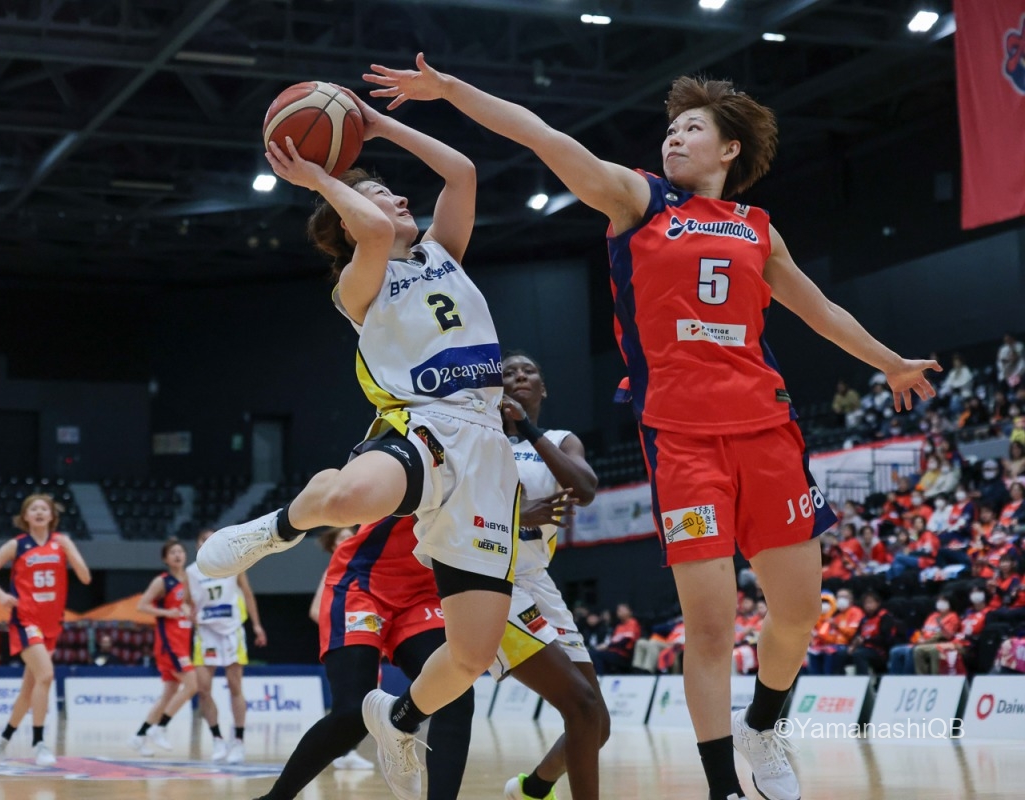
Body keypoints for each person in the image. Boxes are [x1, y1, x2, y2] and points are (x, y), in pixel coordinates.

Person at [362, 55, 939, 800]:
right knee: (711, 626)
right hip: (682, 442)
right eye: (670, 128)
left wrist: (891, 363)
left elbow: (820, 310)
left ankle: (764, 725)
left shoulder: (757, 230)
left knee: (797, 615)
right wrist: (447, 92)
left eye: (692, 128)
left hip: (768, 430)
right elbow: (541, 136)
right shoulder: (639, 200)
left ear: (729, 148)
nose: (674, 137)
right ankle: (722, 787)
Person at [198, 91, 520, 800]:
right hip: (425, 424)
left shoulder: (443, 253)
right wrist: (317, 176)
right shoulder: (359, 283)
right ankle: (274, 529)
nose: (396, 199)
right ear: (345, 223)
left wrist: (378, 125)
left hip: (488, 451)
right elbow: (372, 228)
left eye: (392, 192)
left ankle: (400, 722)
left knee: (470, 657)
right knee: (349, 498)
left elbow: (462, 171)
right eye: (375, 195)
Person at [254, 516, 473, 800]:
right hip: (363, 583)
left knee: (455, 692)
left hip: (422, 593)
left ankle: (397, 720)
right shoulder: (434, 485)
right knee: (352, 713)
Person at [497, 352, 609, 800]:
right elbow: (457, 512)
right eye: (509, 372)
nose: (519, 375)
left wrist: (526, 427)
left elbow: (585, 489)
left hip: (538, 580)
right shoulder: (480, 442)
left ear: (543, 388)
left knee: (596, 723)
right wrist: (519, 515)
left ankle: (533, 789)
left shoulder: (561, 440)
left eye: (528, 371)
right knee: (580, 707)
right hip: (492, 578)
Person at [0, 494, 91, 766]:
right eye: (34, 509)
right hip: (25, 620)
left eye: (44, 508)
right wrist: (0, 595)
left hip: (52, 624)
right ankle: (39, 743)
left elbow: (86, 578)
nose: (40, 512)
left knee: (29, 690)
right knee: (46, 675)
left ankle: (2, 741)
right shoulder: (17, 545)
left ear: (52, 516)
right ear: (26, 516)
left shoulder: (61, 542)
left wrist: (71, 551)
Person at [185, 527, 267, 763]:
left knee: (235, 686)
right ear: (197, 545)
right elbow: (186, 602)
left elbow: (248, 595)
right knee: (203, 690)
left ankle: (238, 741)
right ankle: (217, 739)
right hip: (205, 633)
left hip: (231, 631)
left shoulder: (235, 565)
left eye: (211, 539)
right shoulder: (191, 572)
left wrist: (257, 625)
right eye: (203, 539)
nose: (207, 542)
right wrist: (187, 612)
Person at [307, 525, 375, 772]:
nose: (349, 539)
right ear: (334, 544)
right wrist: (342, 628)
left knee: (365, 700)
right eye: (343, 537)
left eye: (351, 536)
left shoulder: (363, 566)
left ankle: (347, 750)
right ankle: (342, 751)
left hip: (366, 641)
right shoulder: (333, 571)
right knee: (348, 702)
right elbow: (316, 610)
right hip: (345, 643)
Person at [131, 538, 198, 757]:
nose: (178, 555)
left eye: (180, 551)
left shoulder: (190, 579)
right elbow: (141, 606)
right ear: (165, 559)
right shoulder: (162, 581)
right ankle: (160, 727)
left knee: (168, 694)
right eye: (173, 553)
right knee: (192, 685)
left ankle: (139, 735)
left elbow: (188, 607)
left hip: (183, 641)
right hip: (169, 643)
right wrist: (166, 613)